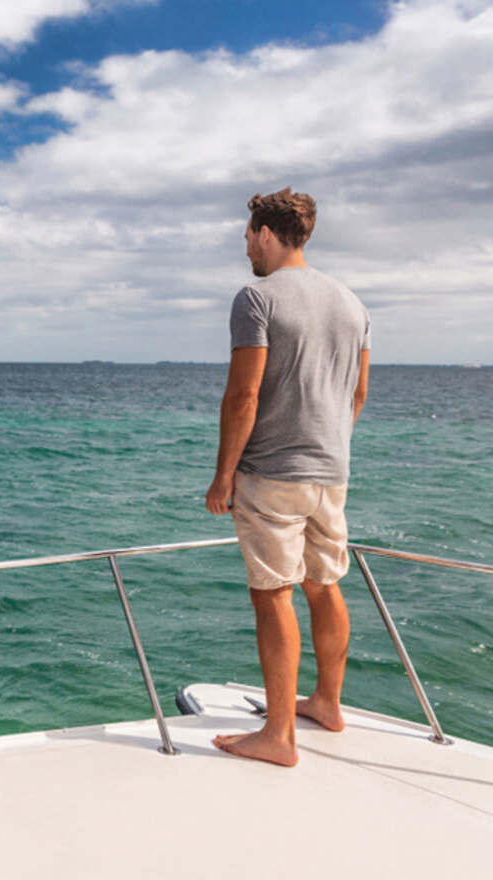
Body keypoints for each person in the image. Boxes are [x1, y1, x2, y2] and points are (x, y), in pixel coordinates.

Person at [204, 188, 370, 767]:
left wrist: (224, 474)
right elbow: (358, 393)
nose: (246, 244)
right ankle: (327, 702)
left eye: (249, 234)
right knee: (324, 585)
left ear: (267, 234)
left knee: (272, 593)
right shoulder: (351, 302)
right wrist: (330, 446)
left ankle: (278, 736)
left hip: (273, 472)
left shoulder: (256, 297)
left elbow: (243, 395)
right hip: (333, 471)